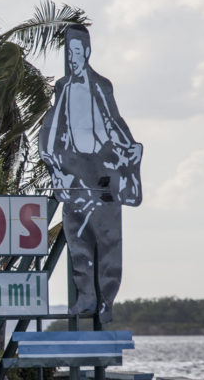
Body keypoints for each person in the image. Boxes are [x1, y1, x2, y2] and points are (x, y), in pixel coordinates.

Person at [39, 24, 142, 324]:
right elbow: (51, 131)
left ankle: (106, 300)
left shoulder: (102, 86)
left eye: (76, 51)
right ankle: (85, 297)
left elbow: (116, 123)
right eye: (68, 52)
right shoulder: (63, 88)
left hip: (104, 174)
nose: (72, 58)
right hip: (75, 177)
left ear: (86, 51)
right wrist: (56, 165)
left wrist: (131, 150)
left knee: (109, 240)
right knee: (78, 239)